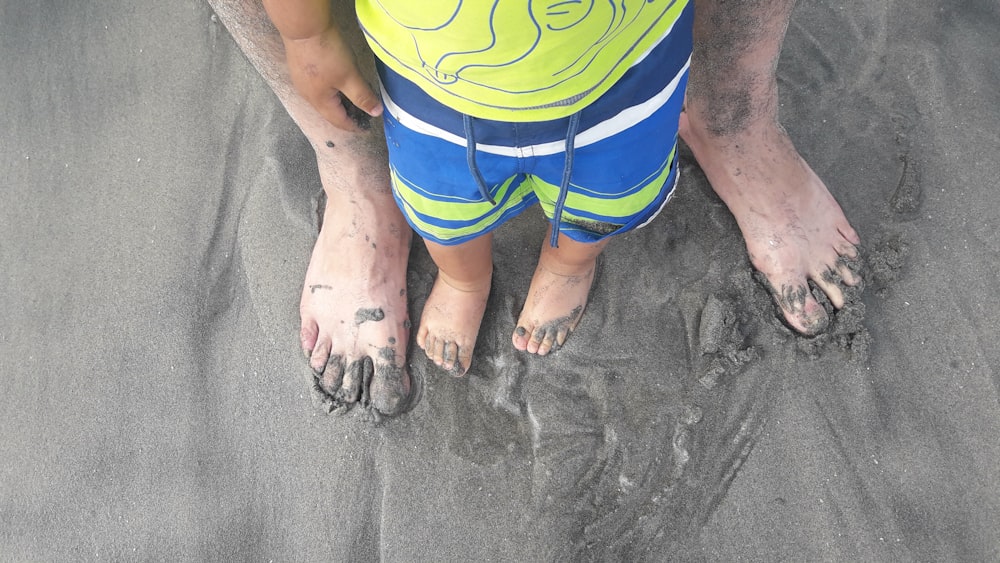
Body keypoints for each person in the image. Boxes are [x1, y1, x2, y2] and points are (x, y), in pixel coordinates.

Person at [208, 0, 861, 416]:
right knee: (444, 210)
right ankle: (463, 273)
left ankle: (572, 264)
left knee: (605, 200)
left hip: (627, 67)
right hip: (429, 80)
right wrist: (309, 31)